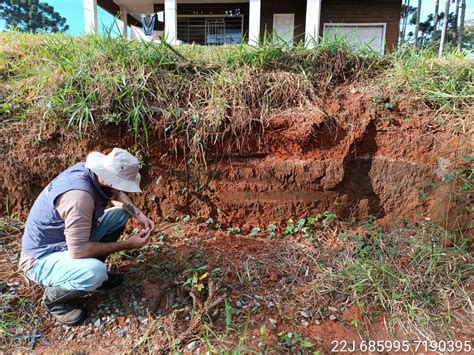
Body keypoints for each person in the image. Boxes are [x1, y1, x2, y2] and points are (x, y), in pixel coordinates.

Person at [19, 148, 155, 325]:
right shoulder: (79, 198)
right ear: (109, 179)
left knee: (119, 216)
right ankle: (56, 301)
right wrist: (127, 244)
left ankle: (90, 275)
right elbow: (78, 250)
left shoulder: (93, 173)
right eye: (121, 183)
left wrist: (140, 216)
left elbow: (116, 193)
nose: (122, 188)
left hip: (66, 242)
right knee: (94, 273)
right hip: (40, 259)